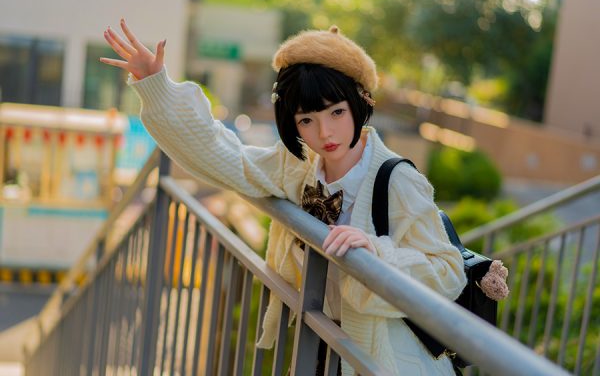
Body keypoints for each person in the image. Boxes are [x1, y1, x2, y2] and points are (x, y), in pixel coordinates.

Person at [100, 19, 467, 375]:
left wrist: (375, 252)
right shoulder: (299, 166)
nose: (325, 132)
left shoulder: (398, 180)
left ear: (362, 102)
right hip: (326, 347)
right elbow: (224, 155)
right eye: (307, 120)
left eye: (337, 112)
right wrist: (156, 86)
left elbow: (449, 273)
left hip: (389, 359)